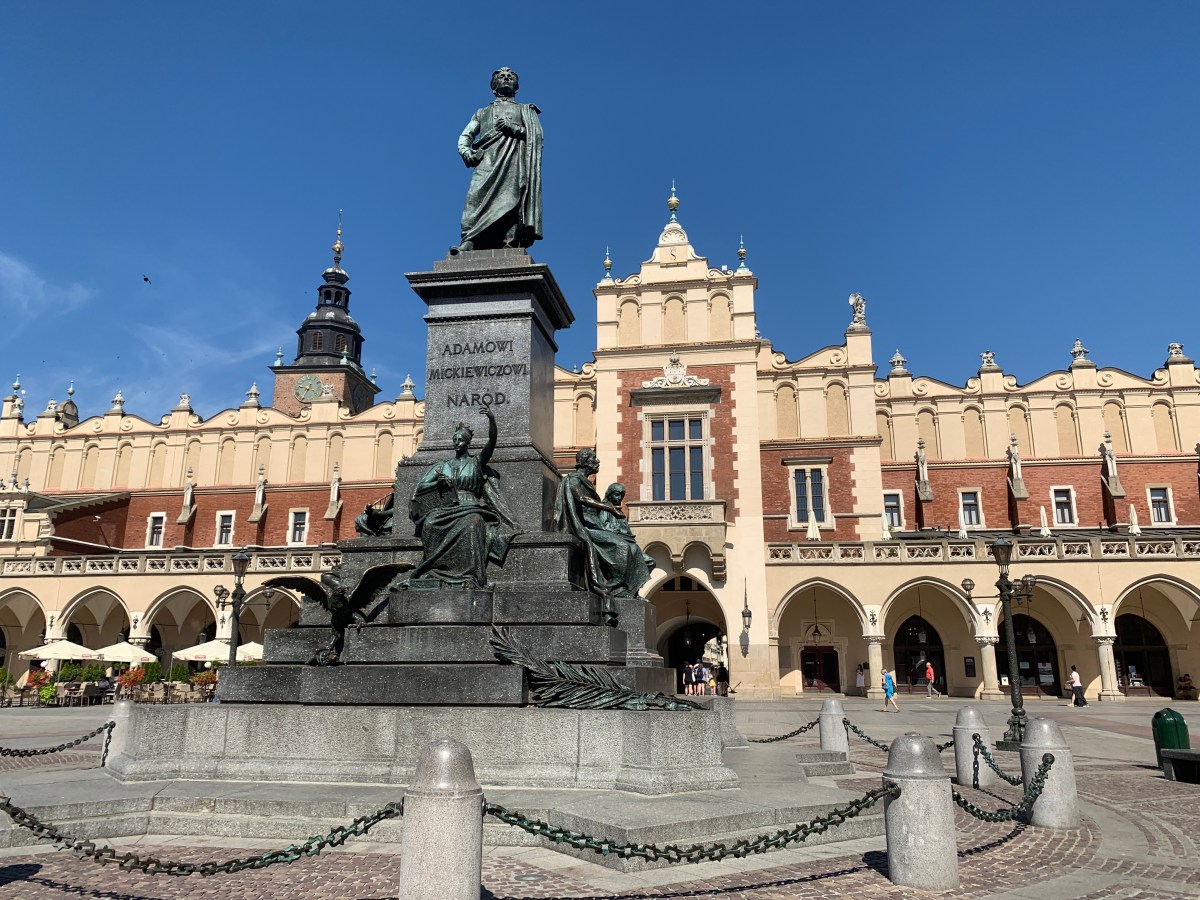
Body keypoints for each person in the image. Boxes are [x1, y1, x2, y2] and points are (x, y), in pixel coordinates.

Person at [406, 407, 520, 589]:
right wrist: (437, 484)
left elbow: (491, 443)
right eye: (455, 440)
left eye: (460, 440)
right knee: (430, 523)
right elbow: (421, 487)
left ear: (468, 443)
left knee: (473, 524)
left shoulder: (476, 462)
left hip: (470, 506)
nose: (457, 443)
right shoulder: (442, 466)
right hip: (446, 506)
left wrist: (492, 420)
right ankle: (434, 570)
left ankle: (470, 576)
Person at [454, 67, 543, 252]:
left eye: (510, 77)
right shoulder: (482, 112)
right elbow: (466, 135)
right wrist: (466, 151)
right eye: (501, 77)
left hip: (513, 161)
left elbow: (536, 137)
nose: (506, 79)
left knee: (512, 199)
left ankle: (509, 242)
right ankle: (469, 239)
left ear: (516, 87)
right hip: (486, 162)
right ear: (494, 86)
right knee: (474, 199)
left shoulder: (525, 110)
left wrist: (514, 128)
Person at [554, 450, 654, 602]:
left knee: (633, 550)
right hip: (586, 527)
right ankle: (614, 586)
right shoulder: (574, 479)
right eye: (594, 458)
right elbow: (580, 498)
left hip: (595, 526)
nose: (597, 461)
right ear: (585, 462)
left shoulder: (585, 481)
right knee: (621, 546)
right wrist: (609, 508)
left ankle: (628, 589)